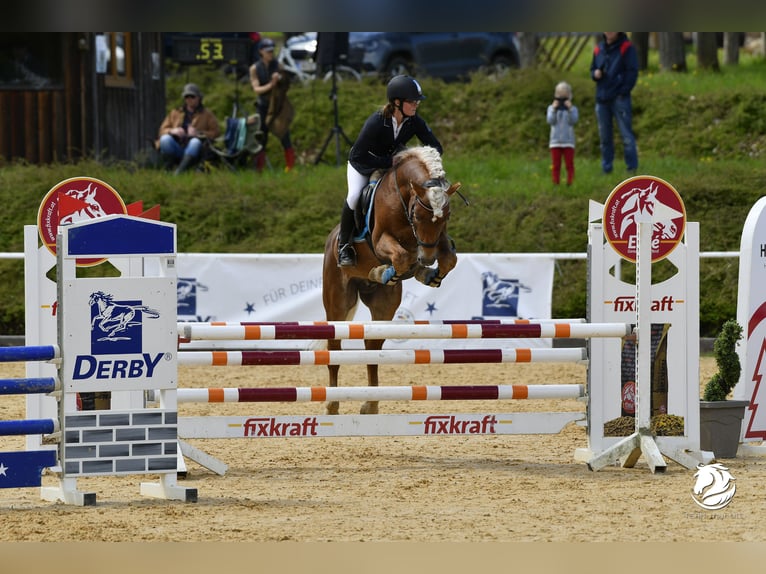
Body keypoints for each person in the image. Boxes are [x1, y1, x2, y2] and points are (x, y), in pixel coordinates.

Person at [337, 75, 443, 267]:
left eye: (417, 101)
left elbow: (436, 147)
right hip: (363, 164)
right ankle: (344, 246)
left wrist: (416, 156)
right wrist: (389, 161)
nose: (416, 105)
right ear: (397, 102)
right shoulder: (377, 122)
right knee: (354, 196)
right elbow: (359, 155)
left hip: (390, 165)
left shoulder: (413, 121)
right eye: (412, 101)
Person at [590, 32, 639, 174]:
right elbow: (592, 69)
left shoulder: (627, 47)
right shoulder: (599, 48)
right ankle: (606, 168)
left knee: (626, 136)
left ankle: (632, 169)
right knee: (605, 137)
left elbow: (632, 72)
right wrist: (595, 74)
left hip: (619, 98)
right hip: (602, 98)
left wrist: (623, 91)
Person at [249, 37, 295, 173]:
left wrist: (280, 79)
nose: (270, 53)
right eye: (268, 51)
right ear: (261, 52)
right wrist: (271, 85)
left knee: (284, 135)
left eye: (271, 51)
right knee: (262, 137)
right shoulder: (254, 68)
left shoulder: (278, 65)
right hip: (263, 106)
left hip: (277, 107)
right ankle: (259, 169)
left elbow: (286, 85)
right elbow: (257, 89)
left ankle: (290, 168)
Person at [157, 83, 221, 175]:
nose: (189, 99)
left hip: (195, 150)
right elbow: (162, 130)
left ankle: (179, 172)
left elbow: (216, 132)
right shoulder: (175, 112)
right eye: (187, 97)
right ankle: (168, 168)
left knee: (195, 141)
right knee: (165, 139)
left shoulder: (207, 114)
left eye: (192, 96)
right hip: (177, 146)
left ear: (199, 98)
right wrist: (172, 131)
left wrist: (199, 133)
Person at [546, 81, 579, 186]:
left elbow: (573, 121)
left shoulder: (573, 109)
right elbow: (550, 121)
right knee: (556, 164)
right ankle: (555, 182)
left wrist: (569, 109)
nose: (562, 101)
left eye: (564, 98)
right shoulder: (551, 108)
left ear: (569, 97)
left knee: (569, 164)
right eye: (560, 97)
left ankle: (571, 182)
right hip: (555, 142)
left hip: (568, 142)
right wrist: (554, 109)